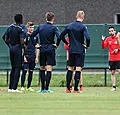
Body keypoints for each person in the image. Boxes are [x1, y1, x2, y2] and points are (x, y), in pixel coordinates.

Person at [60, 10, 90, 93]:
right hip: (80, 50)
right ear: (83, 17)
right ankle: (76, 89)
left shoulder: (69, 26)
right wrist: (87, 45)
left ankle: (67, 88)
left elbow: (61, 35)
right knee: (78, 69)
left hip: (71, 50)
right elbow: (88, 38)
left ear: (76, 16)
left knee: (70, 68)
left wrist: (67, 43)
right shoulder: (83, 27)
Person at [31, 12, 61, 93]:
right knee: (49, 68)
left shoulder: (41, 26)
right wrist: (57, 44)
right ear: (53, 19)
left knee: (42, 67)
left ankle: (42, 88)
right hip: (51, 48)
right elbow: (59, 37)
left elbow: (32, 35)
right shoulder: (54, 28)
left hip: (42, 48)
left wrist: (35, 44)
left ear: (46, 18)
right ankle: (47, 88)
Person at [2, 14, 26, 92]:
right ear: (21, 20)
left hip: (11, 48)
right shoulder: (20, 29)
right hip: (18, 48)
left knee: (13, 68)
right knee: (18, 67)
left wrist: (10, 45)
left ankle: (10, 87)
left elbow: (5, 38)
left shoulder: (10, 27)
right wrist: (24, 47)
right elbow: (22, 41)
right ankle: (14, 88)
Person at [21, 22, 39, 91]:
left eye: (33, 28)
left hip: (33, 56)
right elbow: (22, 47)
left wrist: (37, 57)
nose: (31, 29)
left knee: (31, 71)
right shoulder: (25, 36)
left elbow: (37, 47)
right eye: (30, 27)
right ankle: (22, 86)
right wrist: (23, 56)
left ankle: (29, 86)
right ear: (27, 28)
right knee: (25, 71)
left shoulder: (35, 36)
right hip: (26, 55)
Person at [102, 26, 120, 91]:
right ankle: (114, 87)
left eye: (112, 31)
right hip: (111, 59)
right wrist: (103, 40)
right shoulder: (108, 39)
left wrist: (118, 49)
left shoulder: (118, 38)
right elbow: (103, 46)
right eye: (110, 31)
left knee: (119, 71)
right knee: (112, 72)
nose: (111, 32)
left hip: (118, 58)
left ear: (115, 31)